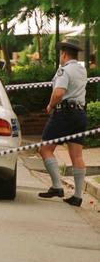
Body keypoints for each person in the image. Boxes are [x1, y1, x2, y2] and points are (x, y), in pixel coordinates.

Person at [38, 38, 87, 207]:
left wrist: (51, 105)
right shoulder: (82, 70)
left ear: (64, 54)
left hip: (63, 113)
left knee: (45, 148)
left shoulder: (63, 71)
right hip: (79, 113)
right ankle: (78, 196)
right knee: (77, 155)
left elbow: (59, 93)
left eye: (60, 54)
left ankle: (57, 186)